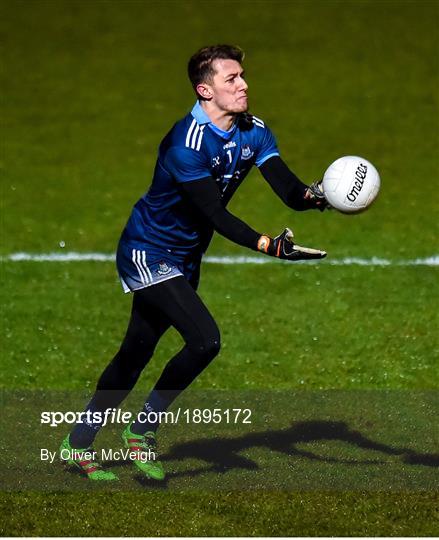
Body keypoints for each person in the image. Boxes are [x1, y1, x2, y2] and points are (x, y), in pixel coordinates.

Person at [60, 44, 329, 481]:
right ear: (205, 90)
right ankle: (142, 430)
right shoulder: (185, 145)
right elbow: (215, 215)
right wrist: (269, 245)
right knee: (205, 340)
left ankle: (76, 444)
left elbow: (288, 190)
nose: (243, 85)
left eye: (242, 75)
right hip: (147, 251)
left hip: (185, 257)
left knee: (135, 353)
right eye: (231, 79)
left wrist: (319, 197)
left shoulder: (253, 131)